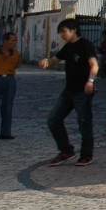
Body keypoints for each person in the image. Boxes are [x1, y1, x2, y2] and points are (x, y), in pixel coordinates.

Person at [39, 18, 98, 166]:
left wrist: (90, 81)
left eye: (64, 31)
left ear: (74, 30)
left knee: (84, 123)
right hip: (68, 91)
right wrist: (46, 62)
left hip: (82, 92)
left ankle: (86, 155)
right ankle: (66, 150)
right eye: (61, 32)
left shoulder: (86, 45)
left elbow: (94, 65)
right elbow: (55, 60)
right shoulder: (68, 47)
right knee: (53, 119)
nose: (62, 35)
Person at [0, 32, 21, 140]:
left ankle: (5, 133)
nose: (14, 43)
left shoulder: (16, 54)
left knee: (8, 106)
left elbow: (16, 66)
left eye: (15, 40)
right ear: (5, 41)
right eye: (12, 40)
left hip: (10, 79)